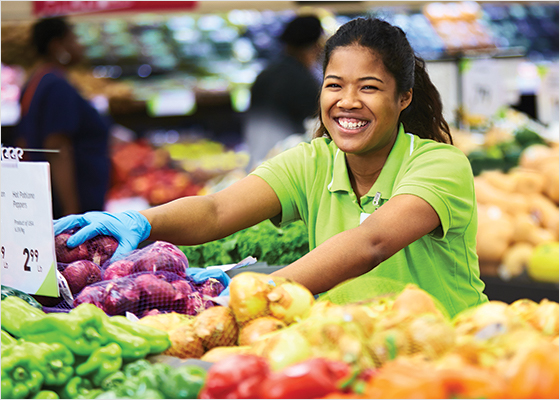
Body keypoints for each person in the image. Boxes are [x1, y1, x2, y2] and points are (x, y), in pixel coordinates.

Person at [55, 17, 488, 318]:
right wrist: (139, 221)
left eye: (369, 88)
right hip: (355, 354)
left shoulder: (440, 164)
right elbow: (217, 212)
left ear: (404, 98)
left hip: (449, 357)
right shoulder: (313, 160)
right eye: (334, 85)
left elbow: (371, 242)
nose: (348, 102)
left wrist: (257, 291)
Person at [16, 17, 112, 219]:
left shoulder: (36, 80)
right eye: (74, 38)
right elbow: (58, 147)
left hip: (47, 196)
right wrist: (72, 211)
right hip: (73, 203)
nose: (81, 45)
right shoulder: (57, 87)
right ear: (57, 46)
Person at [243, 14, 324, 171]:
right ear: (315, 47)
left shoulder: (264, 75)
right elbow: (314, 131)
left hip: (257, 163)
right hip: (286, 167)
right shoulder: (304, 81)